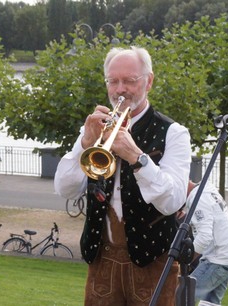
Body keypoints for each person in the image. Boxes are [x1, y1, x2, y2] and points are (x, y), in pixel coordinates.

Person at [54, 46, 192, 305]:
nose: (120, 90)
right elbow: (64, 189)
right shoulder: (95, 127)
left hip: (152, 263)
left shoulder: (174, 133)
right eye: (113, 81)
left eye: (130, 80)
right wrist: (86, 142)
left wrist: (137, 157)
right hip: (101, 259)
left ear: (148, 81)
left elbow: (173, 201)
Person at [182, 180, 228, 306]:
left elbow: (204, 236)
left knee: (183, 296)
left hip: (218, 259)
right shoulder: (206, 191)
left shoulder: (198, 198)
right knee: (210, 302)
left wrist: (185, 262)